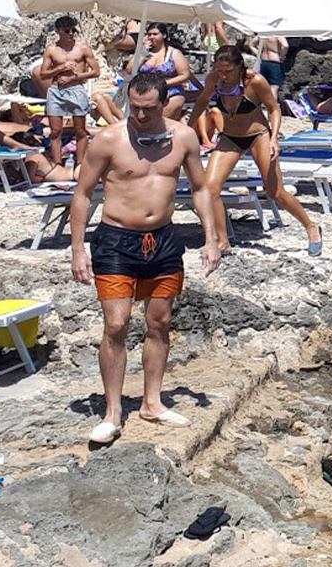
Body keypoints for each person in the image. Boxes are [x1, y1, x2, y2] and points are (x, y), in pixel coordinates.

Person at [69, 71, 220, 445]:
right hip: (116, 240)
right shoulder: (108, 140)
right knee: (116, 324)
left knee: (160, 321)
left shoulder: (183, 137)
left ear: (164, 104)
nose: (139, 115)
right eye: (134, 107)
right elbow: (83, 194)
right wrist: (77, 249)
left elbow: (200, 188)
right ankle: (112, 412)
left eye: (148, 109)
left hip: (164, 240)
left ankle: (152, 403)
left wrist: (211, 238)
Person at [189, 45, 323, 256]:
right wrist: (188, 129)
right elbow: (201, 103)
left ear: (239, 67)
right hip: (229, 138)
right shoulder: (214, 80)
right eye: (219, 70)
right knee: (210, 189)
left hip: (258, 136)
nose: (223, 75)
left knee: (275, 192)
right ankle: (223, 241)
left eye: (228, 71)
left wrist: (274, 139)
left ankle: (311, 226)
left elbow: (274, 109)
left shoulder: (255, 81)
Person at [39, 15, 100, 169]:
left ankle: (80, 164)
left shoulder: (82, 48)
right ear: (58, 32)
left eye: (73, 30)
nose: (71, 33)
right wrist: (60, 68)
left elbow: (96, 71)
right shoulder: (52, 50)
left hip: (76, 89)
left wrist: (74, 77)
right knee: (55, 131)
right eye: (67, 31)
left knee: (80, 130)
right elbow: (43, 74)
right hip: (56, 91)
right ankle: (57, 165)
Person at [125, 25, 194, 120]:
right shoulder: (144, 53)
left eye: (155, 34)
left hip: (170, 90)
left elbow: (185, 75)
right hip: (145, 90)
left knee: (158, 120)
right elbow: (129, 70)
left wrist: (163, 83)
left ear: (164, 35)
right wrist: (142, 53)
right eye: (149, 34)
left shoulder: (174, 53)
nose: (151, 37)